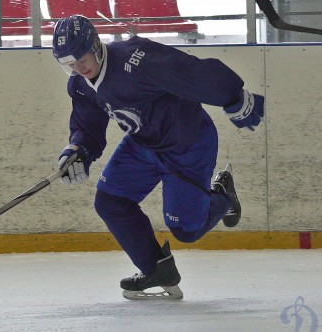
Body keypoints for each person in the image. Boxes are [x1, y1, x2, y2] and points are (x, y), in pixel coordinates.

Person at [52, 15, 264, 300]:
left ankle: (223, 195)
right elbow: (88, 128)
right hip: (142, 146)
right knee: (110, 202)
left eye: (82, 58)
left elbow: (192, 72)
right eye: (69, 64)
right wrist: (78, 150)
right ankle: (156, 268)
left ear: (96, 45)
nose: (79, 68)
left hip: (187, 146)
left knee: (186, 231)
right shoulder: (79, 85)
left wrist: (233, 96)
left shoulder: (136, 59)